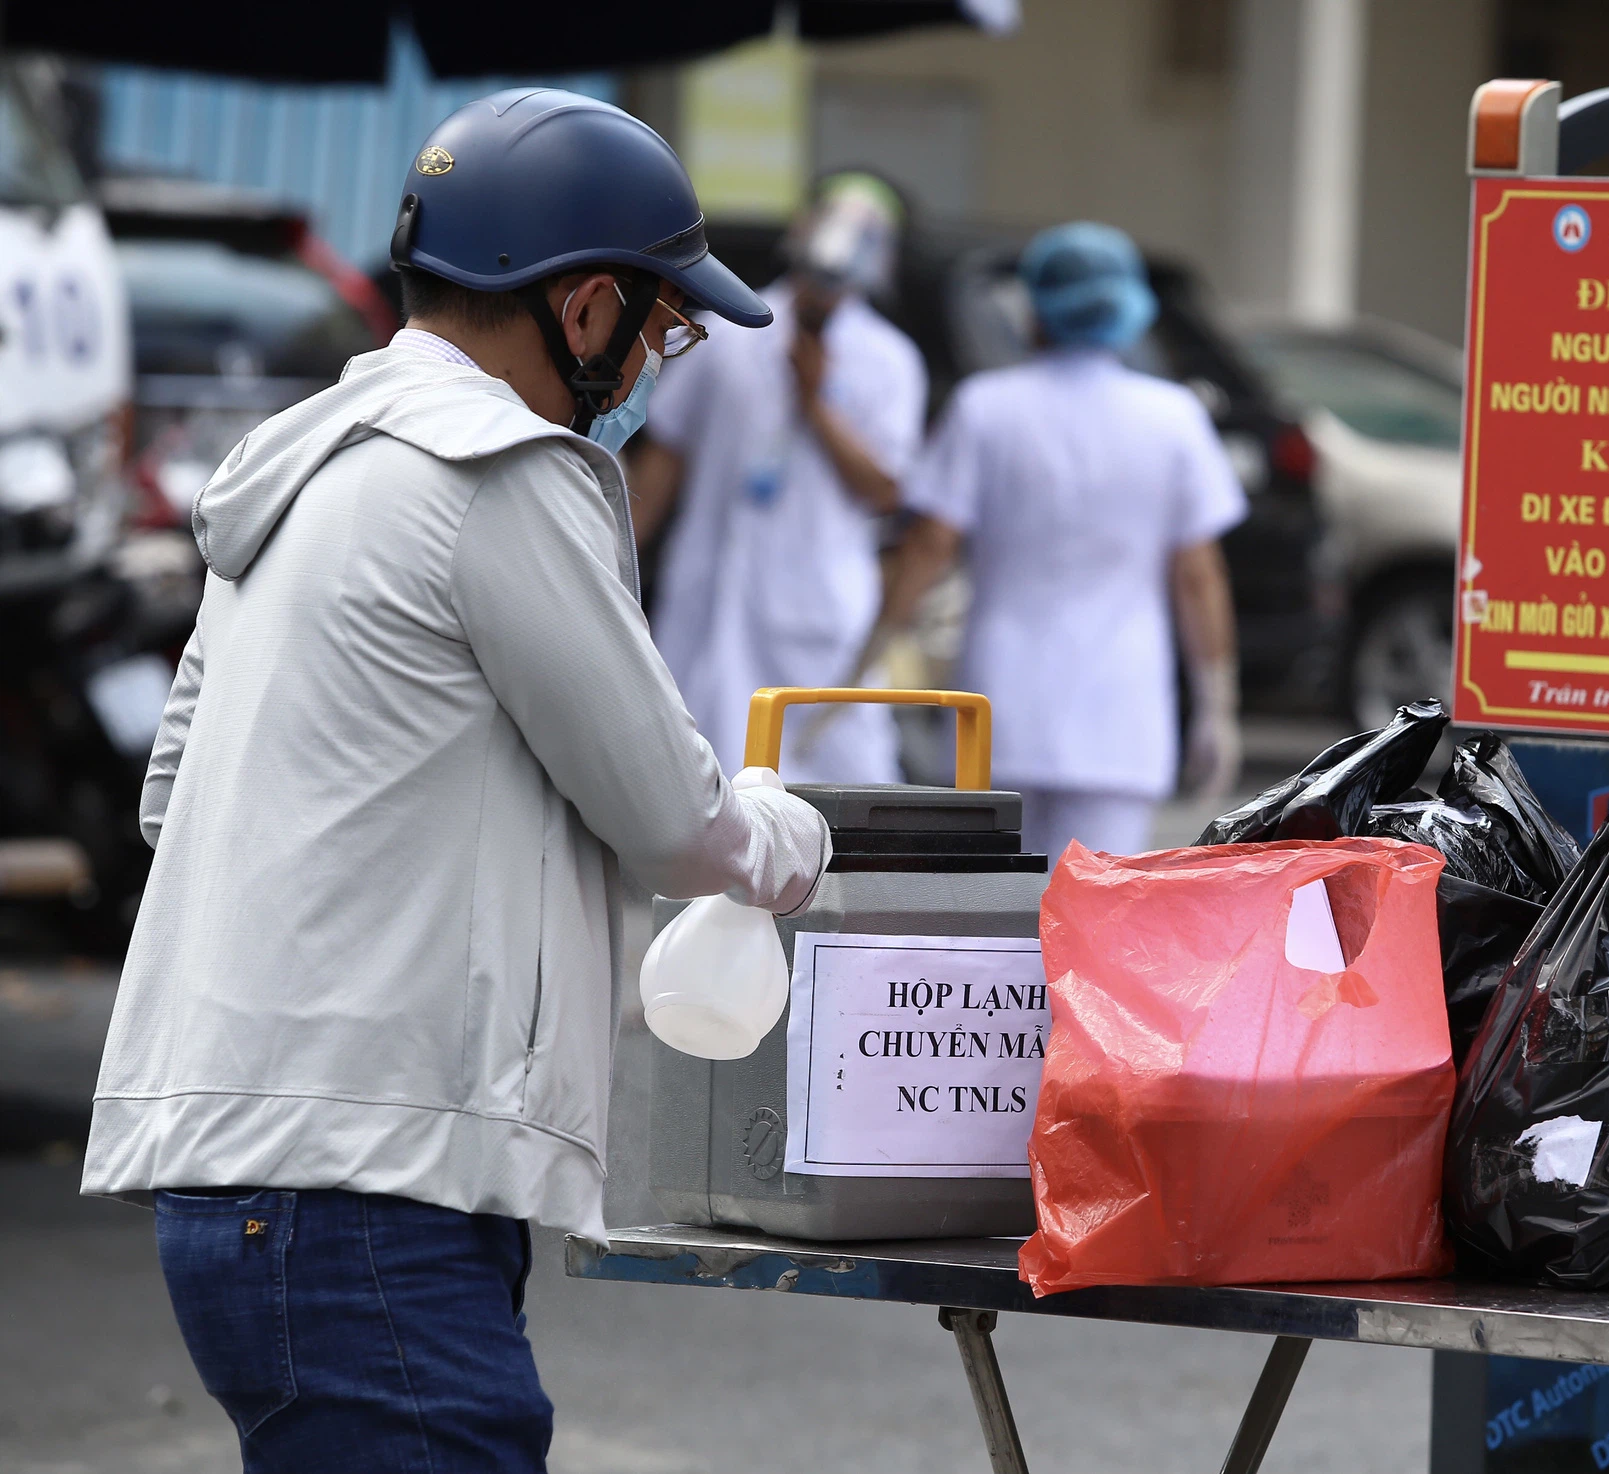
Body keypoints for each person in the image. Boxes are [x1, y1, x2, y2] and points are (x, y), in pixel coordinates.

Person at [80, 90, 830, 1474]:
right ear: (586, 307)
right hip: (367, 1189)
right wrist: (802, 833)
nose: (658, 356)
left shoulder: (299, 471)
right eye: (664, 324)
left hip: (243, 1180)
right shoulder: (496, 475)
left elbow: (171, 789)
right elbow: (675, 813)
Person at [857, 222, 1247, 860]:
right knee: (1095, 921)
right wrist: (1217, 707)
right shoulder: (1173, 417)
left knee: (995, 919)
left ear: (1034, 307)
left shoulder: (986, 408)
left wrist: (869, 658)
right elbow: (1199, 576)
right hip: (1120, 707)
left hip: (1002, 702)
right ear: (1130, 310)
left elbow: (928, 547)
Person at [626, 172, 927, 783]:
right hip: (710, 594)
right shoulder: (725, 333)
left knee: (837, 779)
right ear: (802, 229)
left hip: (817, 605)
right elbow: (664, 463)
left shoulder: (890, 359)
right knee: (702, 777)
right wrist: (607, 560)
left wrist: (816, 401)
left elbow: (887, 490)